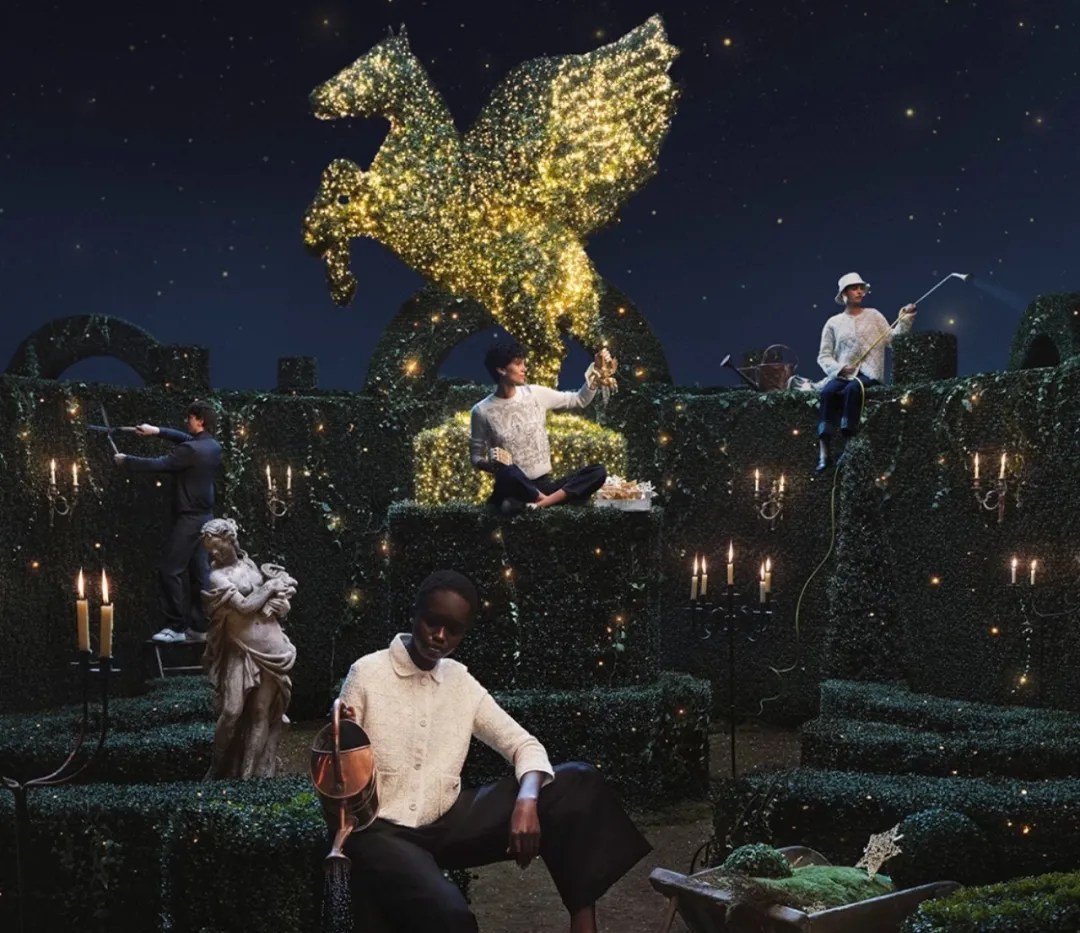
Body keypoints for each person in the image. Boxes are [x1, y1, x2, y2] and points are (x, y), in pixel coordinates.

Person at [337, 570, 651, 933]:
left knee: (577, 782)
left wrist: (527, 801)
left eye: (453, 630)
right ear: (414, 613)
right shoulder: (367, 673)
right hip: (381, 831)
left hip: (448, 822)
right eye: (432, 622)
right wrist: (339, 742)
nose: (440, 636)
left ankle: (583, 924)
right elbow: (334, 776)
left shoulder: (460, 682)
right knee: (453, 917)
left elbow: (524, 744)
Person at [113, 399, 222, 642]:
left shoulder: (192, 450)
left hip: (190, 520)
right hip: (206, 518)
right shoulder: (212, 446)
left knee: (170, 570)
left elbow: (161, 463)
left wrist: (126, 460)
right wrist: (156, 431)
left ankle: (176, 627)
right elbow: (185, 439)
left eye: (190, 417)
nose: (187, 421)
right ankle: (200, 628)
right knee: (200, 574)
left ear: (200, 420)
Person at [200, 518, 297, 779]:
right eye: (210, 550)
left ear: (230, 538)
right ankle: (217, 767)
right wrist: (270, 586)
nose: (214, 553)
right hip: (240, 648)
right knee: (231, 711)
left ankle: (249, 776)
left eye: (217, 546)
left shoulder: (251, 565)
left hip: (272, 646)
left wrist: (281, 603)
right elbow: (244, 607)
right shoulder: (216, 577)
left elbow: (275, 604)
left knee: (260, 711)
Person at [469, 339, 608, 515]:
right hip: (513, 486)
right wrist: (491, 465)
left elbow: (578, 400)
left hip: (544, 484)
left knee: (598, 471)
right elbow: (475, 456)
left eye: (523, 363)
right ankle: (549, 502)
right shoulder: (481, 411)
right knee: (507, 471)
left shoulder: (535, 393)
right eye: (518, 364)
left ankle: (540, 504)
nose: (524, 369)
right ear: (501, 370)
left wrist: (596, 372)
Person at [815, 273, 916, 472]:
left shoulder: (874, 315)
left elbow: (893, 340)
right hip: (843, 374)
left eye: (861, 288)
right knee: (827, 392)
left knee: (853, 389)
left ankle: (848, 447)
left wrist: (904, 318)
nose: (860, 291)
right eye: (854, 288)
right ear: (844, 294)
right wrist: (839, 368)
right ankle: (824, 452)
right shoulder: (833, 322)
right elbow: (824, 356)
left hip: (869, 374)